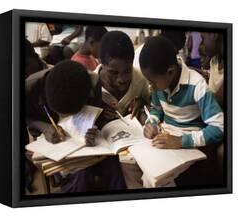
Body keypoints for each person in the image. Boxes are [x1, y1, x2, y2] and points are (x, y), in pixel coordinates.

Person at [25, 60, 126, 192]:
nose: (67, 119)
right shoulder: (28, 88)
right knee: (81, 175)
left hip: (83, 142)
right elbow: (24, 117)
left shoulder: (92, 82)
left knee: (113, 166)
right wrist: (42, 126)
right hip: (52, 143)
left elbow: (96, 116)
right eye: (63, 114)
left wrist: (93, 130)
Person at [139, 36, 223, 149]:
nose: (151, 86)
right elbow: (156, 110)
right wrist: (152, 122)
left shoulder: (197, 85)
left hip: (190, 145)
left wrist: (181, 141)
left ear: (170, 72)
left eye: (153, 82)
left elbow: (219, 127)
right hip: (165, 138)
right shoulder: (158, 85)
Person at [94, 31, 150, 189]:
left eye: (127, 71)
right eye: (113, 73)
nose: (122, 79)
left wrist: (142, 103)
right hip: (104, 151)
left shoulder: (140, 79)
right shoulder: (92, 85)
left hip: (134, 146)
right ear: (101, 63)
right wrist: (98, 114)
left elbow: (152, 106)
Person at [199, 32, 224, 108]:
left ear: (214, 35)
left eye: (203, 39)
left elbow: (216, 101)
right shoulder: (214, 61)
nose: (202, 44)